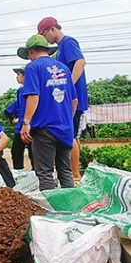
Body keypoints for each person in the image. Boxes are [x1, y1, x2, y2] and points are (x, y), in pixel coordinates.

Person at [17, 34, 77, 191]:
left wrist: (26, 122)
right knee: (65, 171)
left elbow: (33, 96)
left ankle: (52, 212)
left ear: (31, 52)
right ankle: (70, 209)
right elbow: (74, 101)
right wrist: (66, 120)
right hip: (65, 129)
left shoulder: (33, 67)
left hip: (45, 129)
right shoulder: (63, 68)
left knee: (45, 173)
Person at [38, 17, 88, 183]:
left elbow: (80, 62)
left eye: (45, 35)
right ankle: (76, 173)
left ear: (52, 29)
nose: (46, 40)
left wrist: (69, 88)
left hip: (73, 99)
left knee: (70, 136)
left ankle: (75, 176)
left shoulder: (67, 42)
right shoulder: (60, 48)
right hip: (71, 99)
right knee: (73, 135)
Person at [4, 66, 34, 170]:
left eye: (18, 74)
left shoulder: (35, 89)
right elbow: (11, 109)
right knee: (16, 152)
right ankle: (19, 175)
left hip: (32, 126)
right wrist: (14, 119)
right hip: (21, 126)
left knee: (34, 153)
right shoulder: (20, 91)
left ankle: (37, 176)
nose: (17, 77)